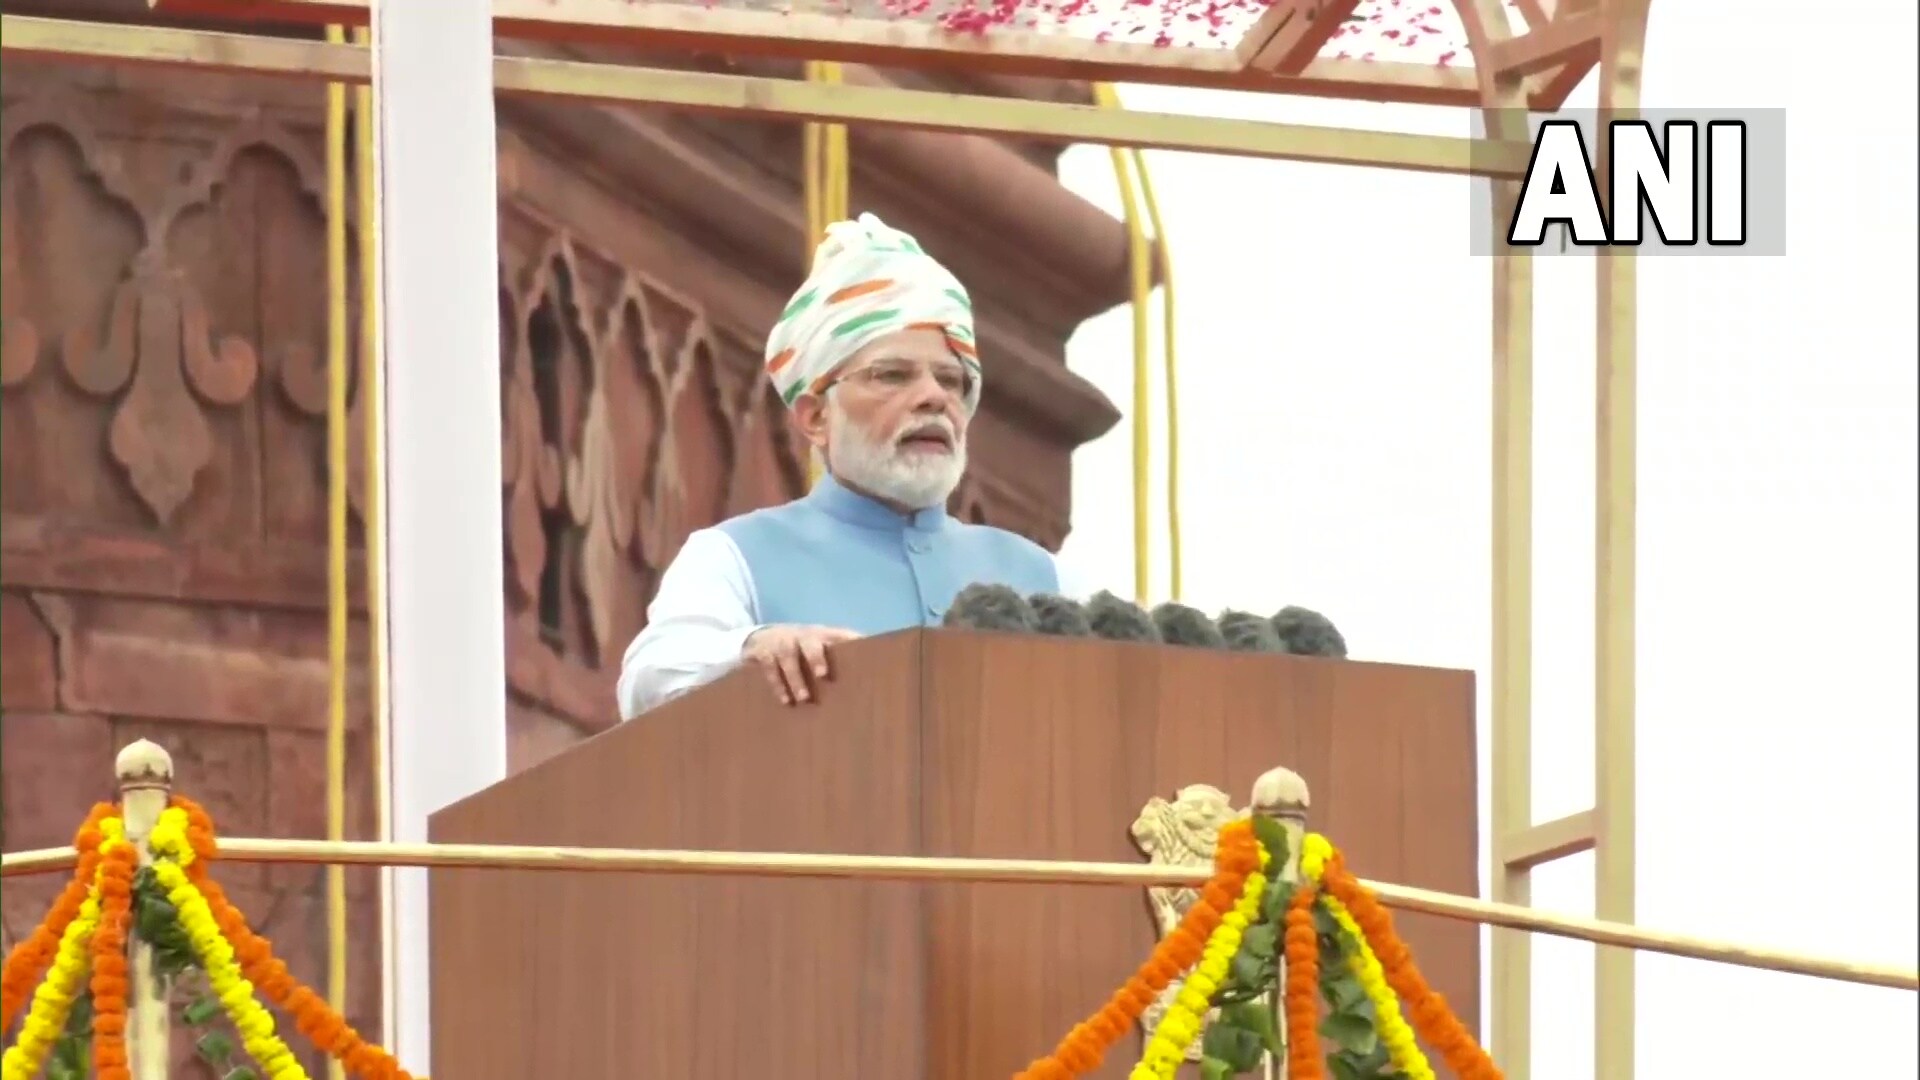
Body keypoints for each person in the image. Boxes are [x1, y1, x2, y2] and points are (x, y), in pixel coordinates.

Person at [616, 213, 1089, 718]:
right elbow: (649, 681)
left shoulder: (1042, 576)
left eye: (951, 381)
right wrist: (755, 647)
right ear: (817, 416)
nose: (933, 397)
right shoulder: (735, 557)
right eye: (892, 375)